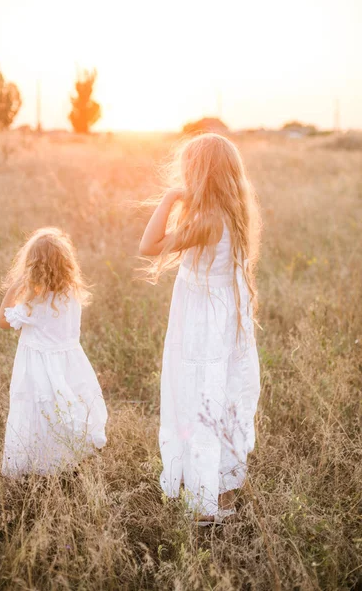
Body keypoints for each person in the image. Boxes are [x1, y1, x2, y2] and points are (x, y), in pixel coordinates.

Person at [139, 133, 261, 524]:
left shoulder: (207, 221)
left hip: (201, 326)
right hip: (222, 321)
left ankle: (203, 502)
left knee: (196, 398)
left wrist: (169, 198)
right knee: (218, 395)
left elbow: (148, 245)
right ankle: (217, 482)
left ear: (199, 175)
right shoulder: (234, 213)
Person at [0, 227, 107, 476]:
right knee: (64, 411)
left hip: (38, 370)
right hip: (70, 366)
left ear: (32, 267)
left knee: (36, 414)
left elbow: (2, 322)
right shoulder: (72, 295)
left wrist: (16, 286)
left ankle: (38, 467)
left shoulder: (33, 303)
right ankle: (64, 462)